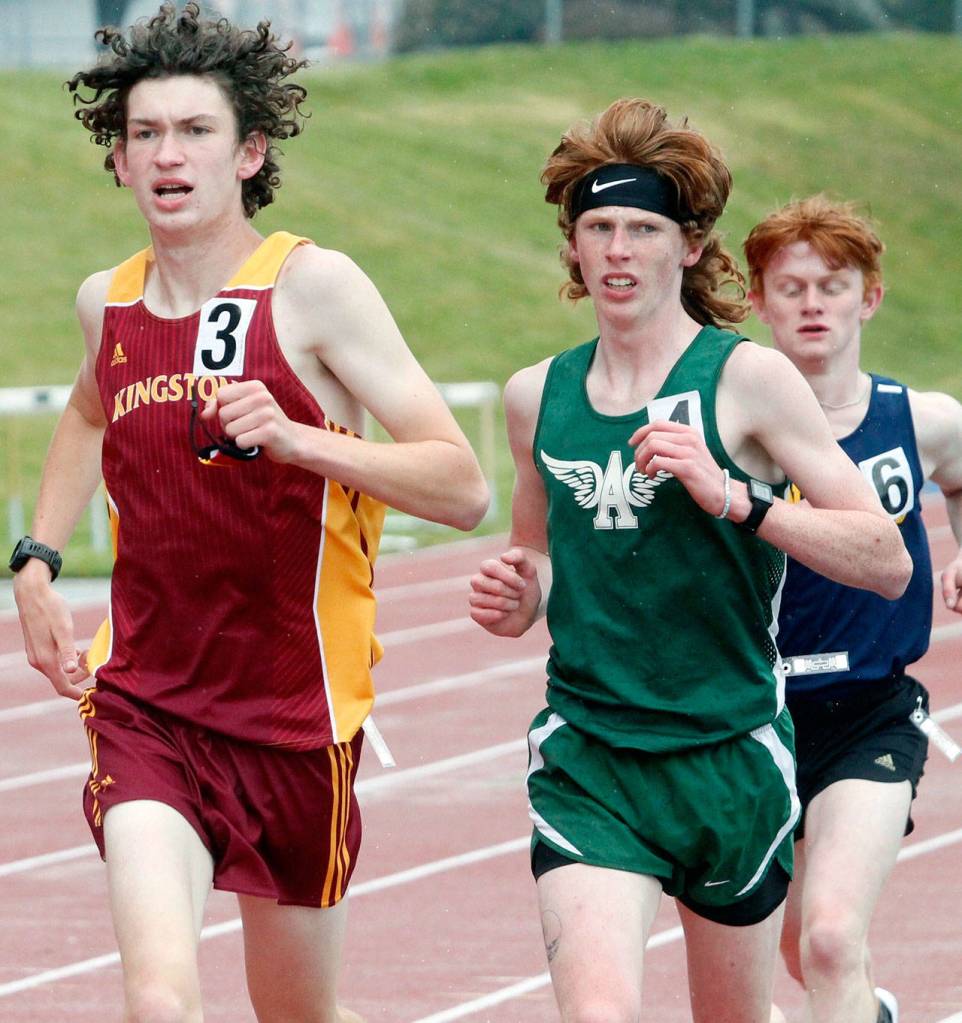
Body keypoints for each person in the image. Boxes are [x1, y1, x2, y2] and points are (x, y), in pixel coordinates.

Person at [10, 4, 488, 1022]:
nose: (167, 156)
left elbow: (460, 485)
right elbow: (87, 416)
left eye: (195, 132)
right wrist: (36, 563)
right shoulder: (111, 303)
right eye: (145, 134)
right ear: (119, 160)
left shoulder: (315, 290)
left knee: (296, 1016)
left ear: (248, 153)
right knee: (161, 1003)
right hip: (147, 703)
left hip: (292, 721)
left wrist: (302, 438)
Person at [468, 99, 911, 1023]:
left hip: (728, 755)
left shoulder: (746, 379)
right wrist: (518, 592)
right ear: (575, 247)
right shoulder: (534, 396)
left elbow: (884, 558)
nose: (619, 249)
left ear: (690, 246)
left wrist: (735, 497)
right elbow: (538, 555)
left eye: (643, 228)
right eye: (599, 228)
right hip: (592, 754)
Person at [744, 194, 962, 1023]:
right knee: (795, 951)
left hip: (871, 711)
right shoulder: (737, 431)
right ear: (758, 302)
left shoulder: (922, 419)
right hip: (752, 717)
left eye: (831, 286)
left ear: (868, 298)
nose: (811, 305)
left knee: (831, 940)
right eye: (789, 287)